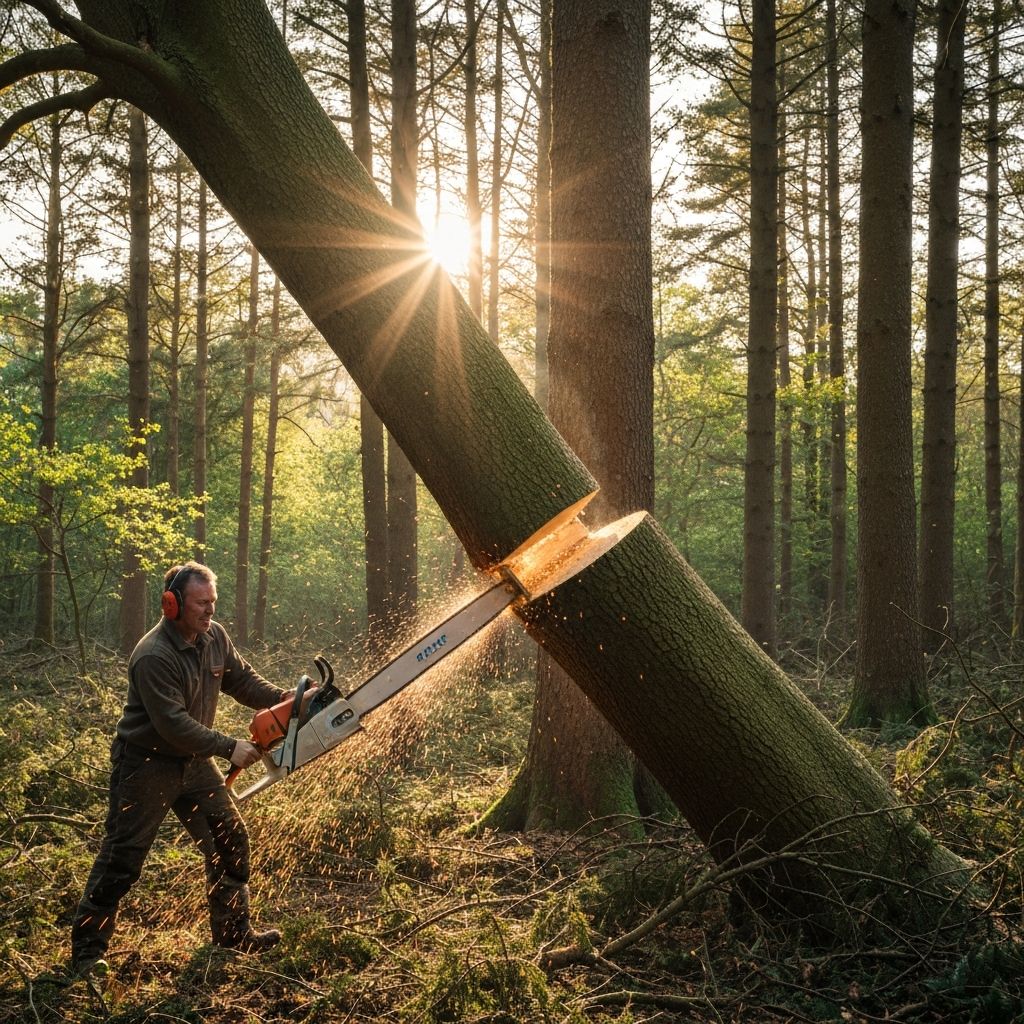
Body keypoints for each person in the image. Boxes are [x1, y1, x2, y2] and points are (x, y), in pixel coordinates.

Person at [70, 561, 297, 976]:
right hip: (145, 765)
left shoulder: (214, 637)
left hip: (194, 764)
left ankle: (232, 934)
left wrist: (286, 699)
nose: (210, 611)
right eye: (201, 603)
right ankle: (87, 954)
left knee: (230, 839)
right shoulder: (153, 655)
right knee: (123, 858)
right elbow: (172, 724)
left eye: (213, 602)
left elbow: (241, 680)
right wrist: (230, 746)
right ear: (172, 604)